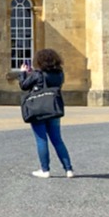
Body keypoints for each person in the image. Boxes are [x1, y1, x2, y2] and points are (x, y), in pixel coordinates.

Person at [20, 48, 75, 178]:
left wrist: (23, 73)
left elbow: (24, 85)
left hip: (39, 110)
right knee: (57, 140)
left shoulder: (38, 74)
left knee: (41, 139)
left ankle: (45, 170)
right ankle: (68, 169)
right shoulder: (60, 74)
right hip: (53, 108)